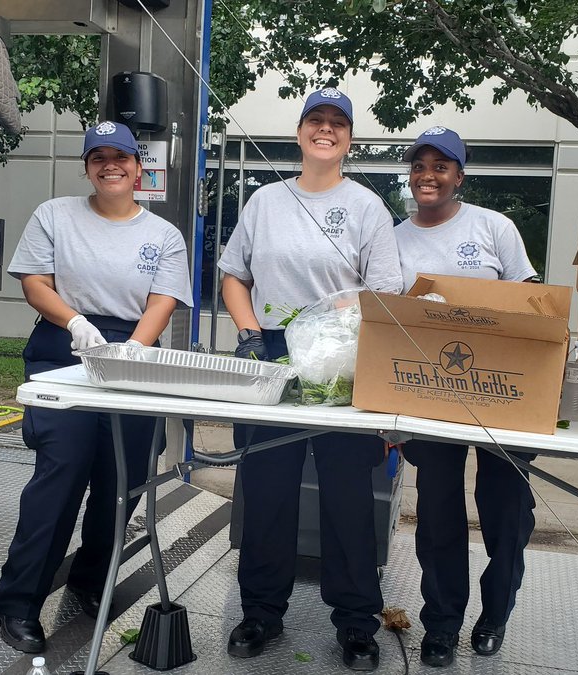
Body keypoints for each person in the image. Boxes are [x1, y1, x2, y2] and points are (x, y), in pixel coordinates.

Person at [0, 121, 193, 653]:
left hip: (134, 354)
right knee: (61, 474)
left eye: (120, 157)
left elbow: (163, 300)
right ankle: (16, 602)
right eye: (98, 157)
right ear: (87, 168)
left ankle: (91, 578)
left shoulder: (163, 235)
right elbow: (35, 282)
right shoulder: (55, 215)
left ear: (138, 166)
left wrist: (133, 350)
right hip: (65, 347)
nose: (110, 166)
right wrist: (75, 322)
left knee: (121, 481)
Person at [218, 87, 403, 671]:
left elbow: (386, 290)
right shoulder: (265, 201)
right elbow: (233, 275)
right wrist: (249, 332)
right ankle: (260, 612)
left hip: (341, 358)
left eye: (337, 123)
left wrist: (335, 324)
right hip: (273, 352)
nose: (326, 130)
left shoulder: (368, 207)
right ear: (299, 133)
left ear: (349, 139)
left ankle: (356, 622)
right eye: (315, 120)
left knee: (348, 496)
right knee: (266, 489)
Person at [393, 126, 538, 667]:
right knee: (437, 515)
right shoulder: (393, 238)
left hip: (500, 391)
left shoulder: (493, 227)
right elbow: (385, 318)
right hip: (426, 393)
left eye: (441, 166)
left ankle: (495, 614)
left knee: (507, 511)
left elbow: (529, 301)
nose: (428, 176)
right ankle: (441, 624)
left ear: (460, 176)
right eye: (419, 166)